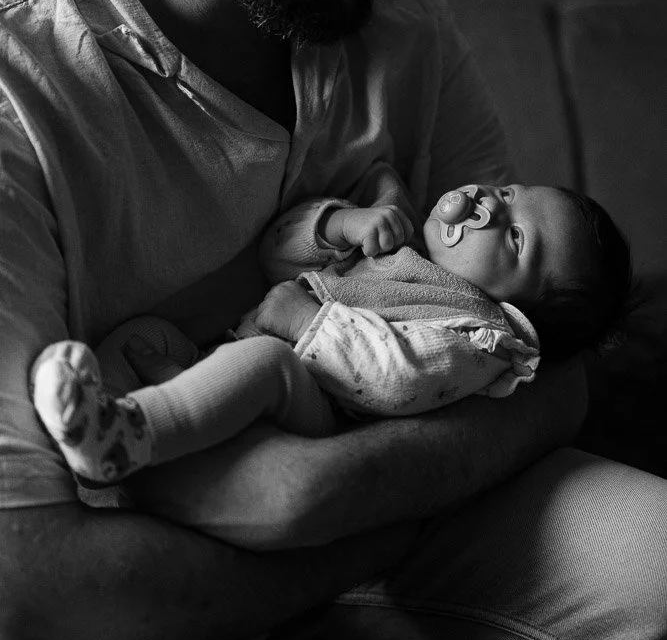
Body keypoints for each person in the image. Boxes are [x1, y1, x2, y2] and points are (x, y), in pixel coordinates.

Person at [0, 0, 665, 640]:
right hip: (116, 567)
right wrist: (307, 515)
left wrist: (326, 499)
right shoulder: (19, 70)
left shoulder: (396, 9)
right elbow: (22, 604)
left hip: (367, 497)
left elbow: (542, 357)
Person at [30, 180, 631, 508]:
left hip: (309, 415)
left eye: (517, 238)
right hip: (227, 352)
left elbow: (398, 375)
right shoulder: (403, 250)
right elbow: (275, 257)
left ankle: (134, 432)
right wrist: (342, 225)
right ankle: (91, 454)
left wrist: (304, 325)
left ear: (519, 310)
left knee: (263, 364)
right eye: (507, 191)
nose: (487, 207)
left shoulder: (477, 334)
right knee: (145, 336)